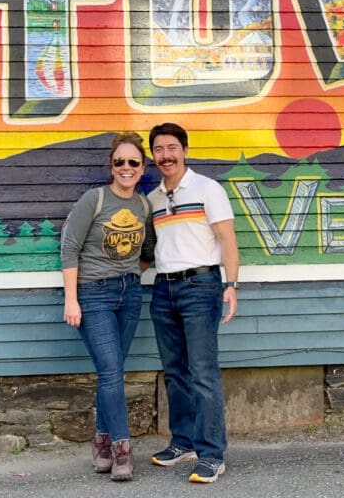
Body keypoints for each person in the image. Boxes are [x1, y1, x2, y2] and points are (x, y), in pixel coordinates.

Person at [145, 122, 240, 484]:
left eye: (171, 148)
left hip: (200, 285)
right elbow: (151, 250)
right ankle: (182, 442)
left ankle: (212, 453)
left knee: (203, 373)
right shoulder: (153, 198)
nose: (165, 156)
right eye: (158, 150)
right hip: (163, 288)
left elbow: (227, 240)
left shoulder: (207, 189)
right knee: (174, 372)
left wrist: (230, 285)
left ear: (184, 150)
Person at [61, 131, 155, 482]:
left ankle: (100, 445)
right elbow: (69, 248)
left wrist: (130, 274)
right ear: (111, 166)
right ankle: (121, 449)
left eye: (133, 162)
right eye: (120, 162)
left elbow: (147, 253)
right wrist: (72, 299)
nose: (126, 168)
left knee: (110, 372)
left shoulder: (143, 205)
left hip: (129, 294)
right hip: (93, 295)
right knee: (113, 371)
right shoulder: (95, 199)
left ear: (142, 168)